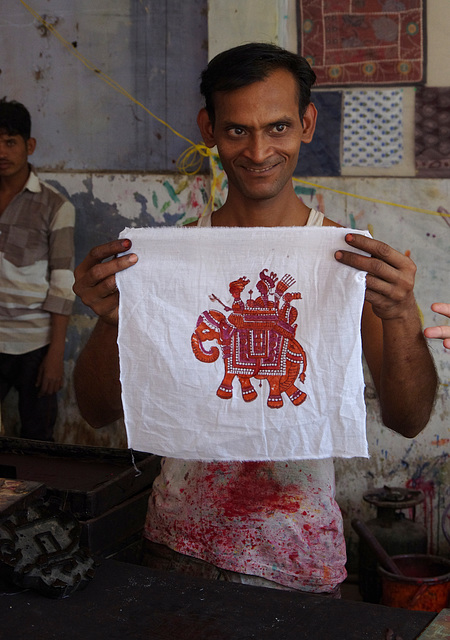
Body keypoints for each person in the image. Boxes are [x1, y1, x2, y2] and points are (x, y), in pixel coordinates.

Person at [73, 43, 437, 595]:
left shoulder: (348, 262)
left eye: (279, 127)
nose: (259, 150)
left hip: (300, 557)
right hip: (177, 545)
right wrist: (110, 319)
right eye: (238, 130)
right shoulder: (166, 263)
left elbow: (408, 421)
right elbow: (97, 412)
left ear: (308, 124)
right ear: (209, 128)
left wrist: (403, 317)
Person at [0, 98, 75, 441]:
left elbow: (62, 286)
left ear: (29, 146)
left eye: (10, 142)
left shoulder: (55, 206)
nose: (1, 151)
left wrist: (55, 355)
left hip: (35, 345)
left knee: (39, 440)